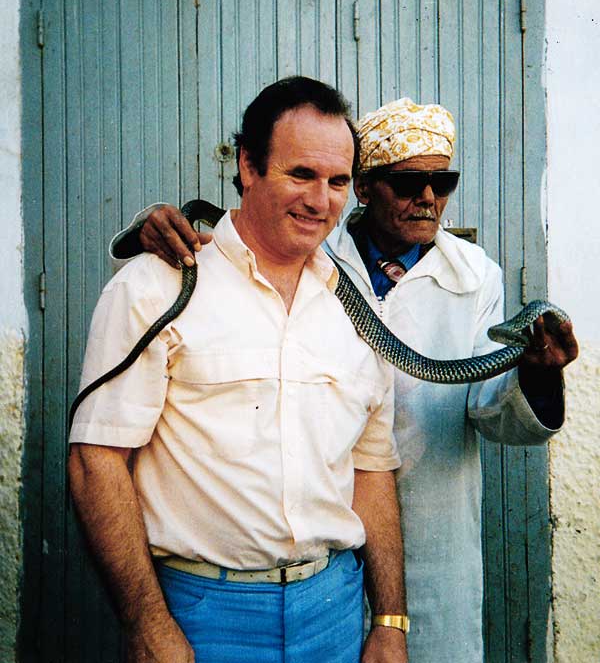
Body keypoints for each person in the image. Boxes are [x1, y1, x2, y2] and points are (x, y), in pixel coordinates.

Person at [123, 96, 578, 663]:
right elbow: (231, 242)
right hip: (316, 555)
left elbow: (491, 409)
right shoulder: (312, 252)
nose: (429, 198)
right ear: (365, 189)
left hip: (429, 537)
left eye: (443, 182)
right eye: (409, 182)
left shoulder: (475, 276)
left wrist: (538, 376)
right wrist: (157, 225)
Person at [69, 77, 410, 663]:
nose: (320, 200)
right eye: (300, 174)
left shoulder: (357, 310)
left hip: (333, 609)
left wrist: (389, 621)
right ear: (249, 166)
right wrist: (148, 625)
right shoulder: (157, 286)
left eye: (337, 182)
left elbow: (371, 472)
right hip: (202, 613)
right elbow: (94, 461)